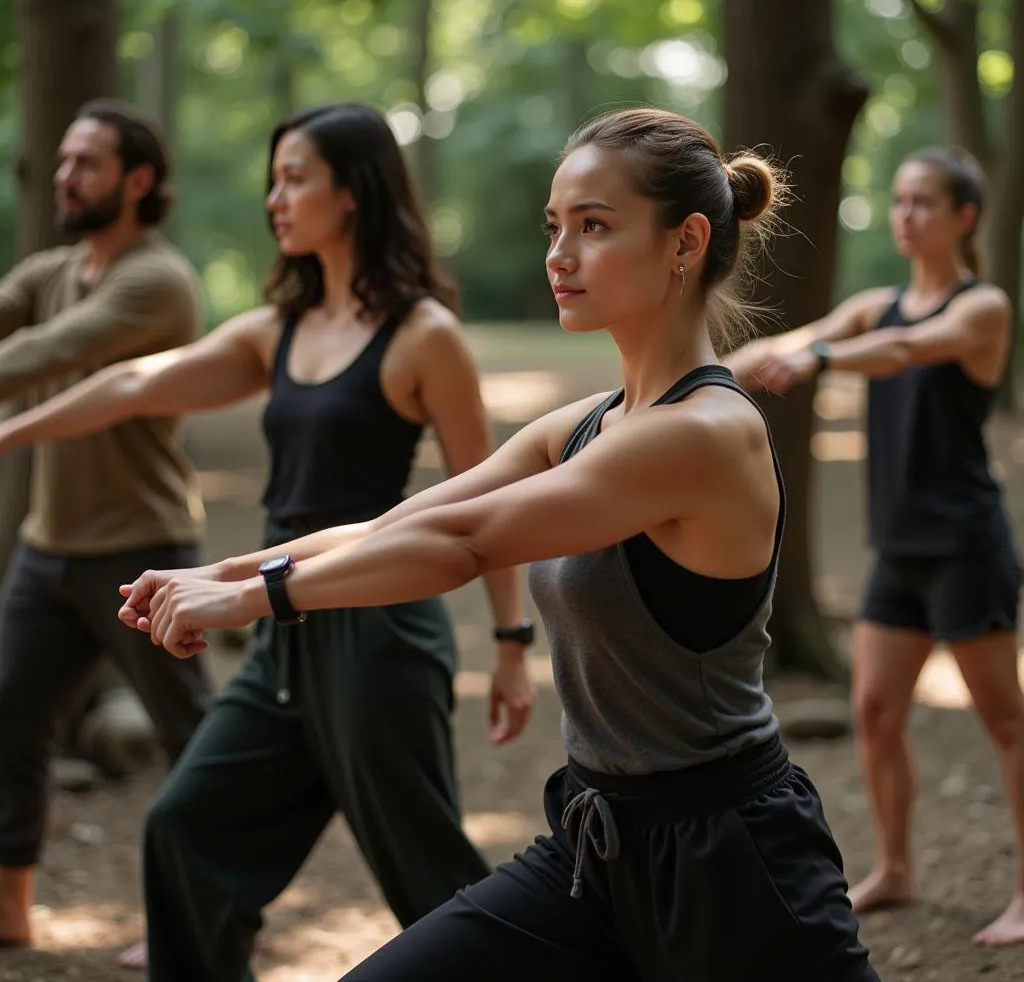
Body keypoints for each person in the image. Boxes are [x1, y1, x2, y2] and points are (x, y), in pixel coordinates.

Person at [117, 107, 880, 982]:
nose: (559, 254)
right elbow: (396, 522)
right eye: (555, 227)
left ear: (686, 241)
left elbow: (469, 541)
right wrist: (215, 571)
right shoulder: (591, 423)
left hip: (733, 865)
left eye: (594, 227)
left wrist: (256, 599)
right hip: (596, 848)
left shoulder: (705, 433)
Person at [0, 101, 534, 978]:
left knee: (424, 871)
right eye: (272, 182)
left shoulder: (422, 336)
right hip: (280, 623)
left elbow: (490, 499)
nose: (275, 200)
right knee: (185, 828)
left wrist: (513, 641)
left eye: (295, 179)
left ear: (353, 194)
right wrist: (10, 432)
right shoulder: (278, 327)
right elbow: (135, 381)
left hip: (380, 624)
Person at [727, 145, 1024, 948]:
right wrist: (711, 372)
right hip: (898, 548)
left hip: (965, 545)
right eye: (899, 201)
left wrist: (815, 358)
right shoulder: (875, 303)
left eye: (925, 202)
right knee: (873, 711)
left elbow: (899, 352)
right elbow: (798, 339)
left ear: (965, 217)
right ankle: (895, 869)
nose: (907, 215)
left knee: (1006, 723)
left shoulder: (981, 308)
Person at [0, 100, 214, 950]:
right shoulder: (53, 270)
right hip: (48, 549)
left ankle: (205, 919)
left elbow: (54, 352)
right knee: (9, 720)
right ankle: (9, 909)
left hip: (141, 547)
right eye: (63, 160)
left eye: (86, 162)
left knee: (195, 741)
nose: (65, 176)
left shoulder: (155, 281)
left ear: (139, 180)